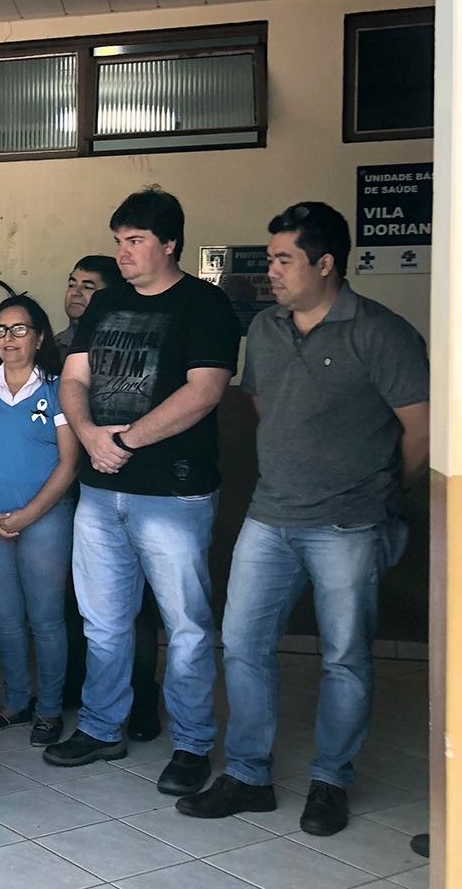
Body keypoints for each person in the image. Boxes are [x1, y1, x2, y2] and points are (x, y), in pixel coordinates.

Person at [177, 202, 429, 836]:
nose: (273, 272)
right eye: (269, 260)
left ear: (325, 264)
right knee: (244, 646)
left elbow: (421, 430)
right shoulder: (264, 328)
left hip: (350, 522)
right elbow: (265, 405)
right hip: (270, 515)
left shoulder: (381, 331)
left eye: (284, 260)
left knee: (344, 657)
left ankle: (330, 780)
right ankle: (249, 775)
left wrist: (378, 491)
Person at [44, 187, 239, 802]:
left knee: (185, 625)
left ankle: (191, 744)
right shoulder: (104, 305)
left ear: (169, 244)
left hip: (173, 495)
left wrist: (123, 439)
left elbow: (205, 391)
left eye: (135, 242)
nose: (123, 253)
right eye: (118, 241)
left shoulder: (206, 305)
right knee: (102, 621)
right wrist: (88, 432)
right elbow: (74, 377)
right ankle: (103, 728)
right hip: (101, 492)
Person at [0, 296, 78, 746]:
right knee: (5, 618)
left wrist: (29, 514)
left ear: (40, 335)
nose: (9, 338)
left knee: (46, 619)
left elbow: (69, 462)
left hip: (44, 520)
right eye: (1, 330)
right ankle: (15, 702)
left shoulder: (58, 388)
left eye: (20, 329)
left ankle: (48, 709)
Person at [55, 256, 162, 740]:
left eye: (90, 287)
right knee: (79, 601)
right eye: (73, 284)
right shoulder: (48, 345)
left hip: (125, 481)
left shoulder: (130, 339)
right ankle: (83, 690)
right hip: (65, 485)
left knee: (132, 606)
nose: (78, 294)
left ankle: (141, 698)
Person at [56, 255, 123, 352]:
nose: (75, 293)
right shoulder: (54, 347)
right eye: (72, 285)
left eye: (87, 287)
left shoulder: (124, 346)